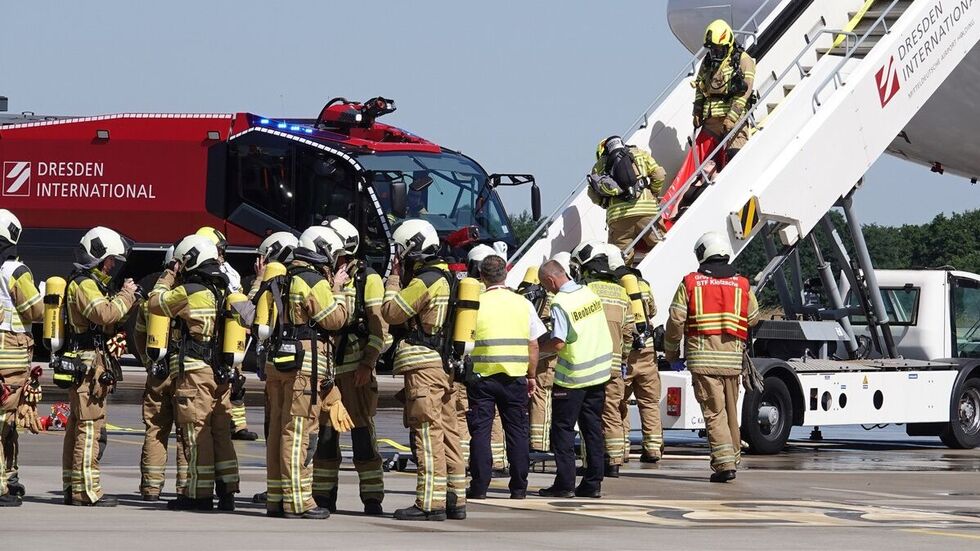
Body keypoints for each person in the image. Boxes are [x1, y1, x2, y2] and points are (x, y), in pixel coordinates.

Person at [263, 226, 351, 519]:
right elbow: (335, 320)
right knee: (299, 433)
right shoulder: (313, 280)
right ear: (322, 248)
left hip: (279, 362)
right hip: (305, 367)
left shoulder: (282, 275)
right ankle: (299, 501)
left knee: (277, 431)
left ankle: (277, 498)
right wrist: (338, 290)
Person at [381, 219, 467, 521]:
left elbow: (392, 312)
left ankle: (429, 503)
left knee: (427, 433)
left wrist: (392, 281)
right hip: (443, 366)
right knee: (448, 433)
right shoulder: (448, 276)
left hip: (423, 366)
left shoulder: (425, 280)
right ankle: (455, 498)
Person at [149, 235, 242, 511]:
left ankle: (198, 496)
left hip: (195, 372)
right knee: (220, 432)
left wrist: (167, 275)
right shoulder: (224, 289)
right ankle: (227, 492)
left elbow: (156, 304)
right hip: (220, 372)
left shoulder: (190, 290)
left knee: (195, 431)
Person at [664, 231, 759, 482]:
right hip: (733, 361)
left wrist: (671, 352)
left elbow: (676, 321)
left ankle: (725, 464)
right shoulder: (742, 284)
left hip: (703, 360)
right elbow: (753, 318)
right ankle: (733, 457)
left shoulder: (691, 283)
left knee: (713, 413)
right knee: (730, 412)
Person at [311, 216, 387, 515]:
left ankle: (372, 498)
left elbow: (378, 328)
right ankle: (323, 497)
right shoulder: (323, 276)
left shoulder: (368, 279)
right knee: (326, 437)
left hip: (355, 369)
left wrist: (368, 364)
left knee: (362, 435)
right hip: (327, 369)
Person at [62, 226, 139, 506]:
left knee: (79, 426)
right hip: (86, 370)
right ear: (99, 257)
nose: (111, 267)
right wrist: (126, 295)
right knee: (89, 429)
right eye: (110, 261)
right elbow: (104, 313)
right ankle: (86, 492)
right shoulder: (84, 284)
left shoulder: (87, 283)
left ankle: (73, 487)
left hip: (85, 364)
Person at [466, 255, 546, 500]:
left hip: (482, 376)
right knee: (517, 432)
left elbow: (464, 342)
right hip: (515, 377)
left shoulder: (476, 302)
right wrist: (531, 376)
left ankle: (479, 486)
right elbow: (534, 345)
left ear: (481, 276)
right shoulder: (523, 303)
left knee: (481, 431)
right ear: (506, 274)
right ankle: (519, 487)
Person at [662, 19, 756, 227]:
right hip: (710, 121)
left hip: (734, 121)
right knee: (696, 162)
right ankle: (677, 205)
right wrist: (697, 111)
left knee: (734, 158)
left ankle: (726, 197)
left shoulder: (743, 60)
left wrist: (732, 117)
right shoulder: (708, 62)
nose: (715, 51)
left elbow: (744, 92)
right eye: (713, 47)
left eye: (719, 48)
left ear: (728, 44)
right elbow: (699, 88)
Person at [537, 260, 613, 498]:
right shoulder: (588, 293)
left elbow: (559, 342)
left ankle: (565, 483)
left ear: (550, 280)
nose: (547, 290)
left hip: (573, 377)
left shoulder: (561, 302)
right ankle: (593, 483)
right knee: (592, 429)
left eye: (545, 285)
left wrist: (536, 350)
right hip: (599, 372)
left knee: (562, 430)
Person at [247, 231, 300, 511]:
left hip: (275, 365)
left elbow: (249, 314)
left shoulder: (273, 280)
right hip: (297, 365)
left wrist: (258, 280)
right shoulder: (300, 279)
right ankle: (285, 490)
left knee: (278, 429)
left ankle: (278, 492)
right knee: (291, 430)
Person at [570, 242, 633, 479]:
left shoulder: (585, 290)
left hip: (590, 363)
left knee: (589, 417)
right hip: (614, 364)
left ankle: (590, 464)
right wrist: (623, 356)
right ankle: (614, 462)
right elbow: (628, 333)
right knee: (612, 412)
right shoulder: (621, 293)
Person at [135, 245, 187, 501]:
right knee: (186, 432)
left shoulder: (151, 301)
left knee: (155, 429)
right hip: (184, 373)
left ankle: (151, 488)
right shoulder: (187, 295)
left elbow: (138, 334)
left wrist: (148, 362)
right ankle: (186, 488)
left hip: (157, 371)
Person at [603, 244, 664, 463]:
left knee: (619, 402)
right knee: (649, 402)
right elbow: (653, 311)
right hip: (647, 350)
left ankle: (622, 448)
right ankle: (654, 448)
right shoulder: (642, 284)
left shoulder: (612, 286)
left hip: (625, 353)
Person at [195, 226, 256, 442]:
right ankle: (216, 421)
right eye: (218, 250)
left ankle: (238, 425)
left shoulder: (229, 271)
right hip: (211, 337)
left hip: (230, 333)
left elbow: (238, 299)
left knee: (236, 381)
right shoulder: (200, 274)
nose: (222, 255)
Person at [0, 210, 43, 507]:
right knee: (6, 419)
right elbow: (34, 310)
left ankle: (9, 476)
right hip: (11, 355)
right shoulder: (15, 271)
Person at [587, 136, 666, 263]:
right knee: (661, 247)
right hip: (647, 210)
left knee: (620, 259)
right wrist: (654, 193)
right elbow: (659, 174)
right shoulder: (639, 153)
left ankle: (628, 280)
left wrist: (605, 203)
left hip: (618, 216)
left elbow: (592, 192)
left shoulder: (599, 165)